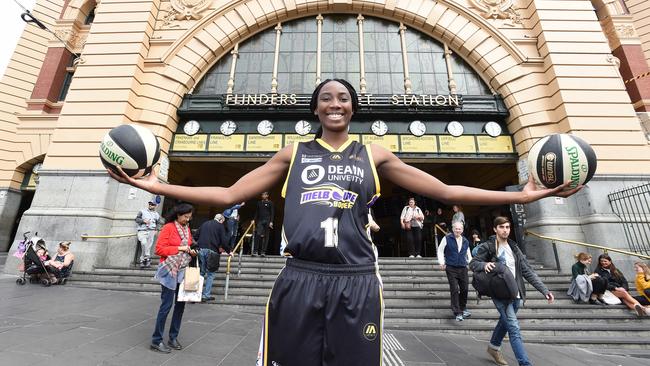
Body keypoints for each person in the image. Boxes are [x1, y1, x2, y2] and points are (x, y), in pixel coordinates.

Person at [108, 79, 580, 366]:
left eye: (344, 98)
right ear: (315, 108)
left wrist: (527, 192)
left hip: (356, 280)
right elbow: (228, 194)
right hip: (299, 278)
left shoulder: (374, 154)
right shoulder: (292, 153)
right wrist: (155, 187)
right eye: (326, 98)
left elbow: (447, 191)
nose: (335, 103)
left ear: (353, 108)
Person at [469, 216, 555, 366]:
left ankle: (493, 347)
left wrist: (544, 289)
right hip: (500, 293)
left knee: (505, 321)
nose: (505, 230)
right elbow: (473, 263)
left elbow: (527, 271)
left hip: (516, 293)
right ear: (495, 229)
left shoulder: (514, 247)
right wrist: (484, 265)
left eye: (507, 227)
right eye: (501, 227)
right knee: (514, 328)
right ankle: (525, 363)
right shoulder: (488, 246)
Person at [150, 203, 197, 353]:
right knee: (166, 306)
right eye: (185, 217)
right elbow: (159, 249)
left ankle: (173, 337)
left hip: (183, 270)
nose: (187, 220)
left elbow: (187, 246)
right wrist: (179, 248)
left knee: (180, 307)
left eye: (189, 217)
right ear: (178, 214)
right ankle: (156, 340)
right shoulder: (169, 227)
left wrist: (191, 252)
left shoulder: (186, 229)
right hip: (169, 271)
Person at [437, 221, 472, 321]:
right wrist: (441, 262)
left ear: (462, 230)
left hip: (463, 267)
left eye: (459, 229)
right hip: (451, 267)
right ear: (453, 229)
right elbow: (440, 250)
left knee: (465, 288)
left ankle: (463, 308)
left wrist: (470, 263)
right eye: (456, 228)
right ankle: (457, 312)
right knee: (454, 289)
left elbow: (468, 253)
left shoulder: (465, 240)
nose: (458, 230)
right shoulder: (447, 238)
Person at [195, 213, 229, 302]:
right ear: (221, 220)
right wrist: (230, 251)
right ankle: (205, 295)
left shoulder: (205, 224)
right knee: (210, 274)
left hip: (201, 250)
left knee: (201, 273)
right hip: (212, 252)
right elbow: (224, 241)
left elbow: (195, 236)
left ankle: (196, 294)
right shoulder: (220, 226)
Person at [135, 200, 161, 268]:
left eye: (152, 204)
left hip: (151, 231)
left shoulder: (156, 214)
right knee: (144, 243)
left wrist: (157, 230)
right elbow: (136, 219)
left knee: (148, 246)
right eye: (149, 204)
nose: (150, 205)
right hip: (142, 230)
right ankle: (145, 258)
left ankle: (144, 260)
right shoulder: (142, 211)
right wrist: (143, 221)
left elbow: (158, 222)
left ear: (155, 206)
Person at [252, 192, 274, 256]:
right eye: (262, 195)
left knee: (266, 237)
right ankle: (255, 251)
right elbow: (257, 212)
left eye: (264, 195)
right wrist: (254, 219)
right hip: (260, 221)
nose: (263, 196)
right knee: (258, 235)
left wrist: (271, 222)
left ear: (267, 195)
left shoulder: (270, 203)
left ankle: (263, 252)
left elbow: (272, 213)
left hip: (267, 221)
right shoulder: (259, 203)